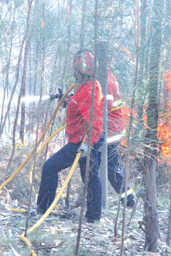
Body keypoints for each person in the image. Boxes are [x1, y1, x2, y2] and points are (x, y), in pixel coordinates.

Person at [36, 50, 104, 223]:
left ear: (80, 70)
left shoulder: (90, 90)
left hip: (84, 141)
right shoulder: (85, 87)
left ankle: (43, 210)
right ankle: (93, 217)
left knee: (50, 167)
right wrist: (67, 101)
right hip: (82, 139)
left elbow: (94, 120)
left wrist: (88, 144)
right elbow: (79, 103)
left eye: (76, 69)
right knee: (89, 177)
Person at [106, 69, 136, 207]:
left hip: (111, 130)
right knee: (112, 166)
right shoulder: (108, 76)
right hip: (112, 127)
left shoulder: (104, 81)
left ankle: (129, 199)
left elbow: (104, 106)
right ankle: (129, 197)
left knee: (111, 167)